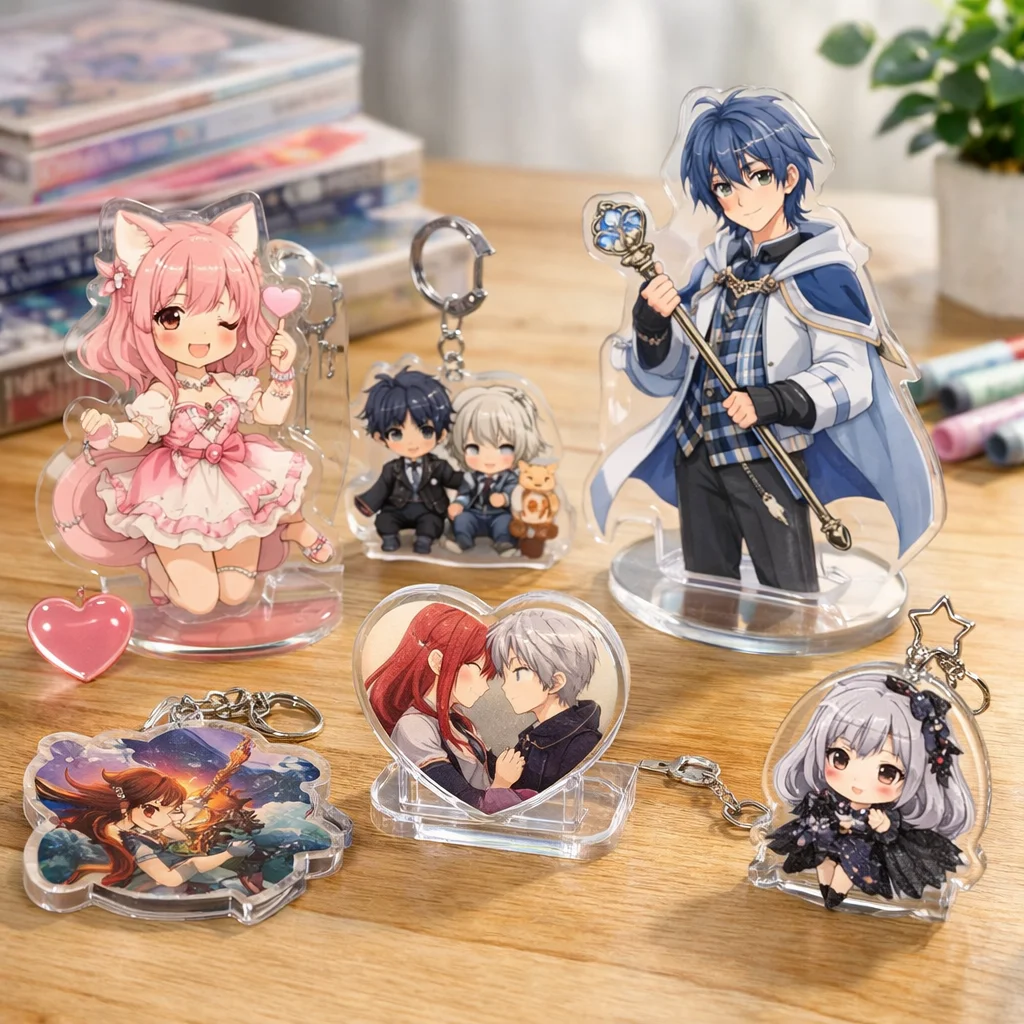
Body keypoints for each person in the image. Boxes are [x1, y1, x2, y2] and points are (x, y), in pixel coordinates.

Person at [589, 89, 935, 592]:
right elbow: (669, 375)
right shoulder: (713, 268)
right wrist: (652, 323)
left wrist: (773, 401)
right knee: (705, 585)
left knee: (790, 590)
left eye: (756, 176)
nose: (740, 196)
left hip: (768, 455)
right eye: (723, 185)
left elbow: (850, 377)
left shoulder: (824, 272)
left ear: (789, 178)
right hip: (696, 451)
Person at [50, 200, 331, 616]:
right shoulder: (162, 395)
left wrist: (282, 370)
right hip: (175, 493)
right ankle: (153, 565)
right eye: (173, 316)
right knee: (199, 602)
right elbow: (140, 434)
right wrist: (110, 431)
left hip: (238, 485)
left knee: (235, 594)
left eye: (225, 320)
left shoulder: (231, 383)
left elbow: (271, 414)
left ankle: (289, 527)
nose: (201, 337)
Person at [768, 673, 975, 910]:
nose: (857, 782)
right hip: (828, 840)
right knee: (820, 858)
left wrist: (883, 826)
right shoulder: (828, 797)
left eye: (887, 772)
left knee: (850, 868)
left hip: (861, 849)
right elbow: (817, 810)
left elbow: (890, 831)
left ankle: (835, 896)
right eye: (840, 758)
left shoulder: (885, 813)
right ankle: (826, 891)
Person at [364, 603, 531, 813]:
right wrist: (502, 782)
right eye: (479, 671)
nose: (485, 686)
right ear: (437, 662)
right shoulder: (415, 727)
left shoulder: (459, 722)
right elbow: (466, 804)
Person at [34, 766, 255, 892]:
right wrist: (227, 854)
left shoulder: (113, 823)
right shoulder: (135, 843)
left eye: (175, 810)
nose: (173, 817)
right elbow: (170, 879)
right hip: (132, 886)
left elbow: (178, 826)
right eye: (153, 810)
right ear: (141, 808)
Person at [487, 608, 602, 792]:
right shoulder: (534, 736)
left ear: (556, 682)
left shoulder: (581, 744)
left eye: (519, 673)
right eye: (504, 675)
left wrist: (501, 783)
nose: (505, 686)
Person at [354, 368, 463, 555]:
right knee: (384, 520)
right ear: (380, 438)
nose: (412, 442)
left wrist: (473, 480)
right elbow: (381, 488)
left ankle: (423, 540)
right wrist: (367, 504)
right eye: (396, 433)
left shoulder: (438, 466)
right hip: (397, 508)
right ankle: (390, 538)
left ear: (441, 434)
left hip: (429, 509)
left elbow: (453, 479)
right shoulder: (392, 469)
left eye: (426, 431)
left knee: (432, 524)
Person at [444, 385, 551, 556]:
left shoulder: (510, 477)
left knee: (505, 523)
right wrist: (459, 504)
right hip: (474, 513)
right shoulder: (471, 477)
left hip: (499, 514)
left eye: (504, 448)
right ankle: (462, 541)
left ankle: (505, 545)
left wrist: (504, 499)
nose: (488, 457)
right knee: (463, 521)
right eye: (474, 448)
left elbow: (513, 493)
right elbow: (465, 493)